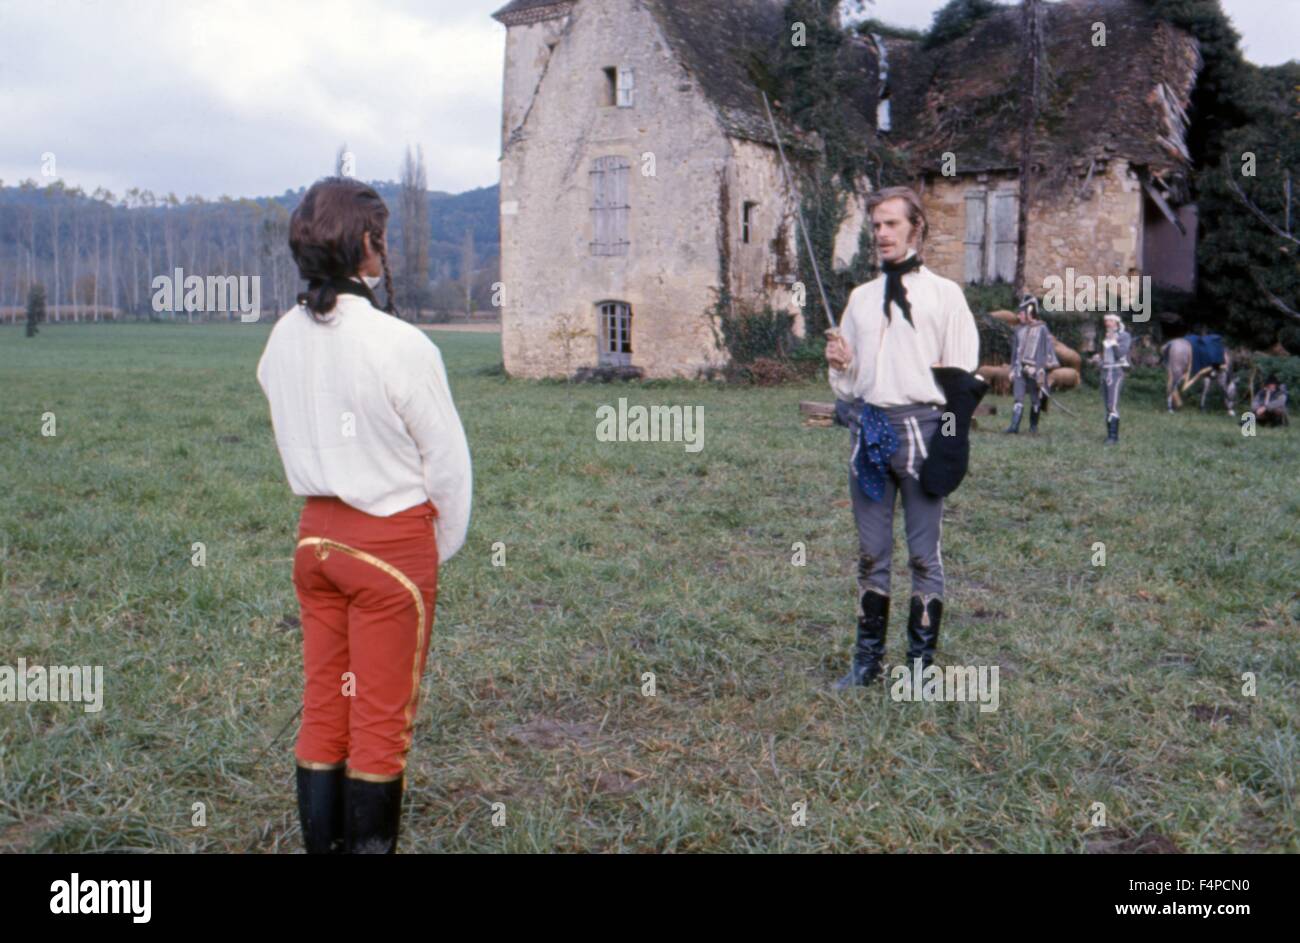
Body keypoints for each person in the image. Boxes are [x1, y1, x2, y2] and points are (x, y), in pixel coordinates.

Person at [256, 177, 472, 853]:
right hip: (391, 546)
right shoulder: (400, 343)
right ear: (366, 245)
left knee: (326, 705)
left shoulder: (280, 339)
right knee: (381, 722)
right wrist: (437, 547)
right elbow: (448, 465)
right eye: (382, 236)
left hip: (314, 540)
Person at [825, 186, 980, 688]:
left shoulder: (944, 295)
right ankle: (866, 665)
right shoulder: (860, 299)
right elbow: (848, 385)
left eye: (891, 224)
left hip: (923, 430)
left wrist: (950, 448)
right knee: (872, 553)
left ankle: (918, 671)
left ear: (916, 227)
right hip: (867, 431)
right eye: (875, 226)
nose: (882, 234)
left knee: (921, 555)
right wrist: (843, 367)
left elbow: (962, 382)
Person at [1003, 294, 1059, 435]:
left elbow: (1045, 351)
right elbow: (1015, 352)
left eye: (1022, 313)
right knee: (1018, 397)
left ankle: (1033, 428)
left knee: (1036, 399)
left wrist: (1038, 369)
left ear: (1029, 313)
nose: (1019, 316)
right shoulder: (1018, 330)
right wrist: (1012, 368)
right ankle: (1014, 427)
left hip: (1035, 371)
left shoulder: (1042, 329)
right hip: (1019, 369)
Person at [1095, 312, 1132, 444]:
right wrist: (1098, 360)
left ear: (1116, 322)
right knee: (1107, 405)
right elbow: (1104, 355)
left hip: (1116, 373)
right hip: (1105, 372)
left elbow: (1120, 354)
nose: (1107, 323)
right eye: (1106, 321)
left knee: (1112, 405)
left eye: (1109, 321)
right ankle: (1109, 434)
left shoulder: (1124, 336)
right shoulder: (1105, 336)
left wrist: (1113, 342)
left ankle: (1113, 437)